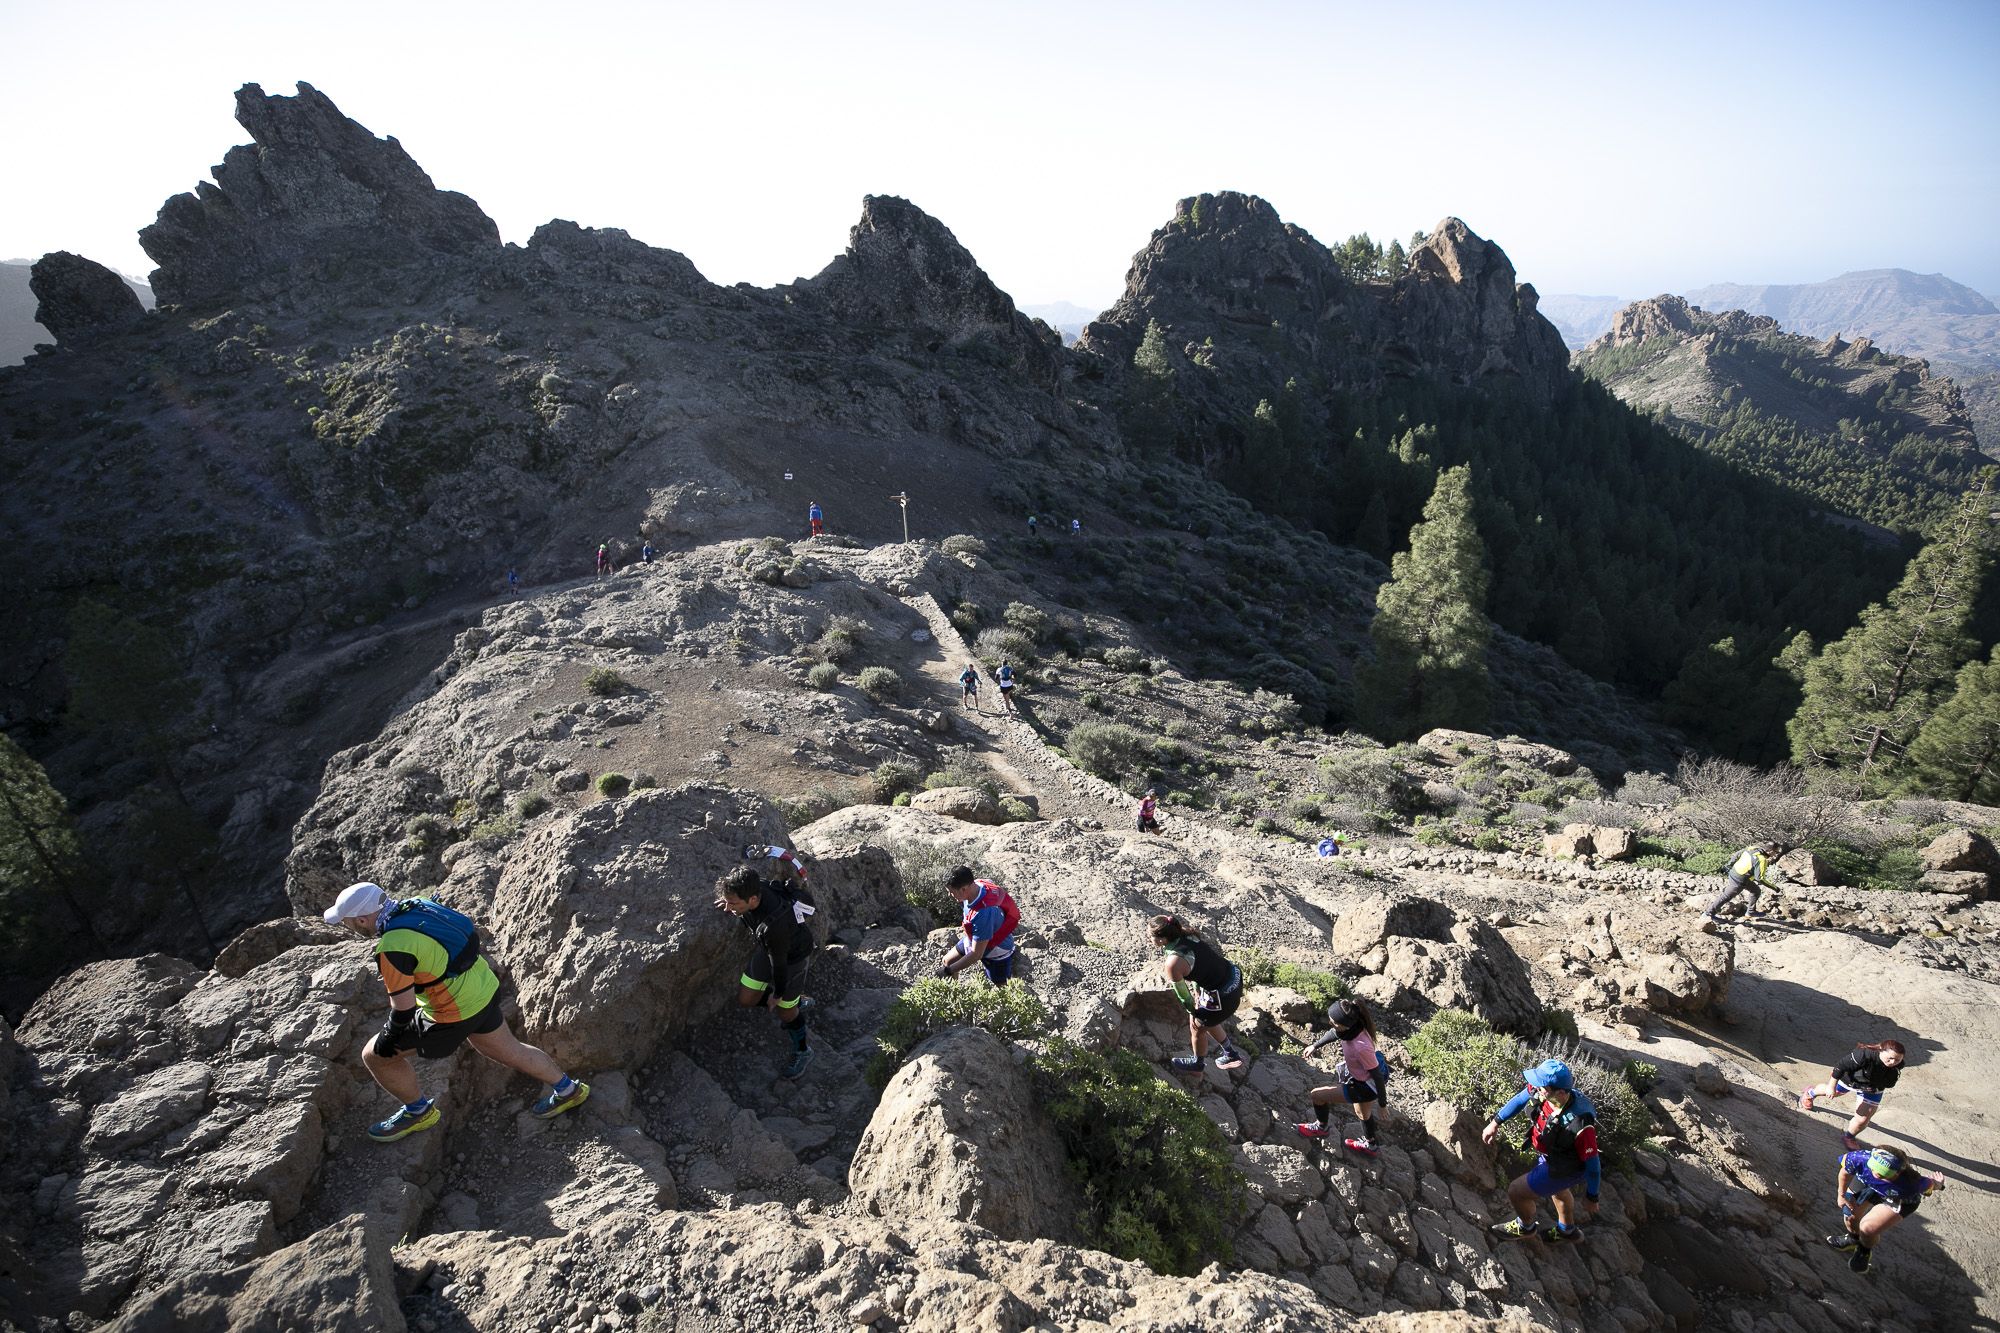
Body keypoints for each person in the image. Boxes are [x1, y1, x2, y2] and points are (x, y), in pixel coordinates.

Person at [323, 882, 589, 1142]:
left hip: (451, 1013)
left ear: (361, 920)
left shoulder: (393, 947)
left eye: (346, 922)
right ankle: (569, 1090)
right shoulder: (418, 904)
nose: (347, 927)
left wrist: (388, 1040)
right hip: (482, 989)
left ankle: (419, 1113)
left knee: (374, 1056)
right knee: (511, 1049)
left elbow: (404, 1010)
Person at [715, 858, 818, 1078]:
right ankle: (796, 1001)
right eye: (726, 902)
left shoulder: (773, 925)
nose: (728, 908)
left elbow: (779, 967)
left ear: (752, 899)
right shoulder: (752, 886)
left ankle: (803, 1050)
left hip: (792, 958)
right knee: (746, 998)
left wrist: (777, 996)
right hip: (771, 949)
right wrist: (728, 901)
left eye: (733, 904)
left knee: (784, 1010)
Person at [1481, 1059, 1601, 1243]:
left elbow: (1593, 1165)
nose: (1535, 1088)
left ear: (1560, 1092)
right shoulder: (1544, 1091)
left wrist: (1592, 1197)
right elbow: (1520, 1099)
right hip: (1552, 1156)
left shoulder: (1580, 1124)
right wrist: (1495, 1122)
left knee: (1516, 1191)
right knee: (1559, 1192)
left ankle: (1525, 1227)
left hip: (1564, 1166)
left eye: (1541, 1086)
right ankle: (1567, 1231)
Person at [1826, 1143, 1944, 1273]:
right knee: (1850, 1216)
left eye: (1883, 1174)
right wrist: (1841, 1195)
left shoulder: (1913, 1183)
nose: (1876, 1174)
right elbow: (1845, 1172)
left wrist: (1938, 1184)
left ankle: (1864, 1250)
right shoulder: (1860, 1159)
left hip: (1900, 1199)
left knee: (1868, 1229)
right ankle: (1853, 1238)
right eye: (1874, 1168)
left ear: (1899, 1172)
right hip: (1867, 1183)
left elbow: (1932, 1185)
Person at [1152, 914, 1246, 1074]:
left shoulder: (1173, 963)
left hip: (1223, 995)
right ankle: (1230, 1052)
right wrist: (1198, 993)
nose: (1150, 939)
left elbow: (1184, 997)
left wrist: (1195, 1012)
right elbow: (1201, 966)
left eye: (1150, 936)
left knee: (1197, 1025)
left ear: (1162, 939)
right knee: (1207, 1018)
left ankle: (1198, 1064)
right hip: (1233, 977)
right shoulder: (1188, 936)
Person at [1296, 998, 1388, 1154]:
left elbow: (1377, 1076)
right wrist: (1315, 1045)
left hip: (1364, 1087)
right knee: (1362, 1113)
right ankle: (1371, 1145)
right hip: (1363, 1080)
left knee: (1317, 1096)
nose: (1330, 1024)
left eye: (1333, 1022)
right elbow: (1334, 1033)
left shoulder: (1361, 1047)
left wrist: (1383, 1104)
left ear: (1344, 1025)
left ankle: (1321, 1127)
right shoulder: (1352, 1028)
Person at [1800, 1039, 1907, 1146]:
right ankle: (1810, 1093)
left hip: (1873, 1088)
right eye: (1890, 1058)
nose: (1893, 1062)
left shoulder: (1898, 1065)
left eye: (1897, 1060)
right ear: (1881, 1051)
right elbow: (1840, 1067)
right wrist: (1831, 1086)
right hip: (1851, 1080)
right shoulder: (1863, 1055)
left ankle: (1849, 1137)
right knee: (1835, 1092)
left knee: (1863, 1119)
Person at [936, 867, 1020, 986]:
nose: (950, 895)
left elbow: (976, 954)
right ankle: (954, 995)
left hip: (996, 950)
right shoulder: (979, 884)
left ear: (964, 889)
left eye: (952, 891)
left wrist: (947, 971)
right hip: (977, 937)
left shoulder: (983, 913)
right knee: (948, 961)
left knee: (1001, 988)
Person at [1702, 840, 1785, 924]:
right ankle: (1708, 914)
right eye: (1776, 852)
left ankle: (1751, 911)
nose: (1776, 854)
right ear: (1770, 851)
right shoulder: (1762, 860)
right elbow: (1759, 878)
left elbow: (1737, 854)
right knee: (1726, 897)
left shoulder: (1753, 848)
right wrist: (1774, 887)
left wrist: (1729, 864)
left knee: (1756, 891)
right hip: (1740, 881)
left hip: (1734, 873)